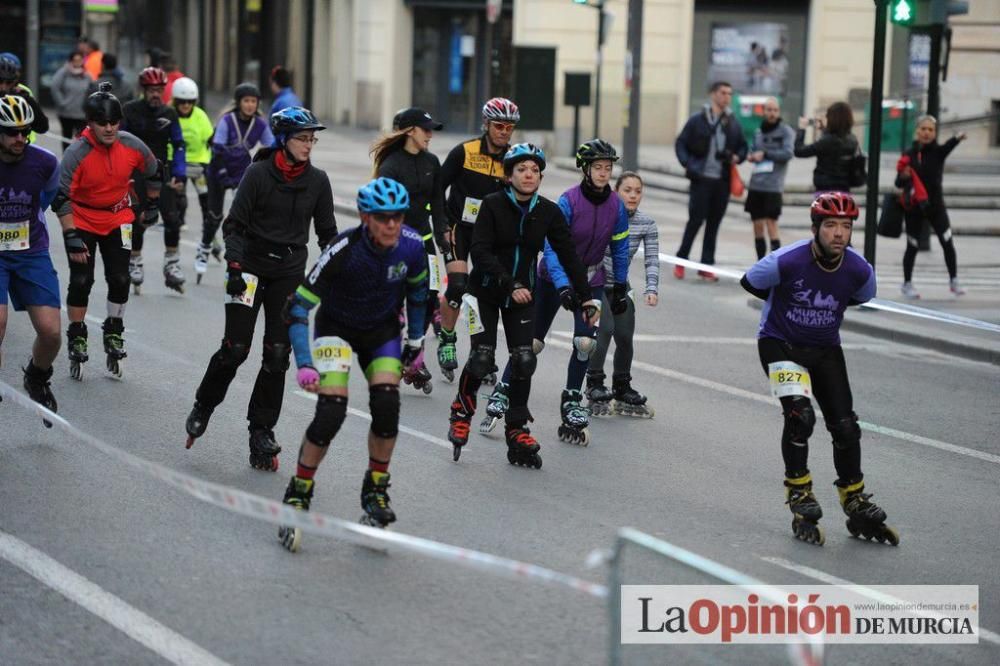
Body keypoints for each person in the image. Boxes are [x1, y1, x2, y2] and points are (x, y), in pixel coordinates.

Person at [277, 177, 429, 551]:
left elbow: (419, 294)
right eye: (383, 218)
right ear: (365, 217)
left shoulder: (411, 247)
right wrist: (305, 363)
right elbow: (297, 307)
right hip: (337, 328)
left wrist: (416, 341)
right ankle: (299, 491)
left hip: (381, 331)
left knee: (387, 405)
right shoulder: (342, 248)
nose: (392, 225)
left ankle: (375, 491)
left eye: (398, 217)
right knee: (331, 411)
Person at [740, 191, 898, 547]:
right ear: (816, 228)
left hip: (826, 348)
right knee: (801, 417)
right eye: (830, 225)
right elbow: (749, 281)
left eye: (845, 226)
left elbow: (861, 296)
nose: (839, 233)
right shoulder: (787, 261)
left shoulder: (859, 269)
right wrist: (787, 305)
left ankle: (854, 497)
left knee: (845, 426)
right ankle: (800, 492)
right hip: (780, 344)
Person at [185, 107, 337, 471]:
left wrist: (337, 271)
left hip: (288, 271)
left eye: (312, 139)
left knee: (277, 354)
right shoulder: (258, 174)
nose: (309, 145)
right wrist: (235, 266)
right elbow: (234, 225)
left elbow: (328, 235)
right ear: (284, 140)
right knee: (235, 348)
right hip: (249, 268)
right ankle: (204, 404)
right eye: (303, 138)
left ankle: (261, 431)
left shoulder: (318, 181)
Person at [446, 144, 596, 467]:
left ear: (541, 175)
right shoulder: (492, 205)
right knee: (482, 359)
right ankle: (462, 409)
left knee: (524, 359)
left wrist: (585, 298)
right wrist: (509, 283)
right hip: (483, 292)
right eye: (521, 169)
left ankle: (517, 428)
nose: (529, 175)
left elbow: (569, 255)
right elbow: (480, 252)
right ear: (508, 175)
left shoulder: (548, 211)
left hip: (523, 295)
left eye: (534, 170)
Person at [483, 139, 629, 447]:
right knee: (532, 344)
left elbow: (619, 246)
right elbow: (552, 248)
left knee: (585, 342)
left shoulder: (616, 205)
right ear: (585, 170)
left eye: (608, 168)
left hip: (591, 279)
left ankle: (572, 399)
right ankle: (504, 389)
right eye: (598, 168)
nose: (604, 174)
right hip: (552, 279)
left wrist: (620, 286)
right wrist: (563, 286)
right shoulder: (568, 201)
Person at [53, 83, 159, 380]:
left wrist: (152, 203)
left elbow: (154, 170)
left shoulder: (132, 145)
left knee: (121, 276)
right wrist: (71, 233)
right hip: (83, 220)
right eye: (103, 123)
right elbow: (60, 197)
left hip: (118, 217)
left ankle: (114, 330)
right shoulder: (77, 152)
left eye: (114, 122)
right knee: (82, 278)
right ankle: (77, 332)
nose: (110, 128)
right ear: (90, 123)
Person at [437, 97, 520, 383]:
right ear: (486, 124)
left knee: (482, 295)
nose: (504, 132)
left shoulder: (512, 160)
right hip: (459, 228)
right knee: (459, 286)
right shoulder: (464, 151)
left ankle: (479, 353)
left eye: (509, 127)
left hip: (490, 237)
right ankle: (447, 337)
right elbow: (438, 188)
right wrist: (443, 225)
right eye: (499, 125)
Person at [371, 106, 446, 390]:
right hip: (397, 242)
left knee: (429, 299)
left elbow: (438, 204)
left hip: (424, 241)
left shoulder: (432, 162)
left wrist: (444, 239)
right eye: (426, 130)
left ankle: (413, 355)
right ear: (410, 131)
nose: (430, 135)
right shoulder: (391, 165)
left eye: (431, 130)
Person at [0, 95, 61, 418]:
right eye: (11, 132)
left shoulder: (45, 162)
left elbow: (51, 197)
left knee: (51, 333)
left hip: (31, 252)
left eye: (24, 131)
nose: (20, 138)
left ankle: (37, 375)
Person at [585, 171, 658, 419]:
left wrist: (651, 288)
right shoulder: (604, 216)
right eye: (627, 190)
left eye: (638, 191)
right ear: (616, 191)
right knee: (604, 331)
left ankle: (621, 387)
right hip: (596, 283)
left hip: (620, 285)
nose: (633, 195)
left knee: (625, 336)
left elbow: (651, 259)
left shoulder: (646, 224)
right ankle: (594, 384)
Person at [121, 66, 187, 294]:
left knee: (172, 217)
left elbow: (178, 144)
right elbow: (119, 142)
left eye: (160, 90)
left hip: (162, 173)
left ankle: (172, 263)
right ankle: (135, 261)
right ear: (143, 90)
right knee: (138, 218)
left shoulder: (169, 114)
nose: (156, 94)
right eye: (151, 90)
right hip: (136, 173)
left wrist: (180, 172)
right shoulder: (130, 111)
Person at [673, 81, 748, 281]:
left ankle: (706, 265)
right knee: (695, 221)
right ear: (713, 94)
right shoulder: (697, 120)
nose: (727, 97)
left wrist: (736, 158)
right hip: (701, 179)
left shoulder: (732, 122)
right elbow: (681, 142)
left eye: (729, 93)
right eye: (723, 93)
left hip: (722, 181)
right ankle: (681, 260)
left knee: (714, 224)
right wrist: (687, 163)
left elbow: (743, 147)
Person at [199, 83, 275, 278]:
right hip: (219, 170)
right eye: (246, 101)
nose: (250, 105)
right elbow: (217, 150)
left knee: (242, 215)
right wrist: (223, 173)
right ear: (239, 102)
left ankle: (239, 255)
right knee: (215, 214)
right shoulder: (227, 119)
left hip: (241, 171)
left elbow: (271, 147)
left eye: (253, 101)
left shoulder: (260, 123)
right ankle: (204, 246)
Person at [897, 116, 967, 299]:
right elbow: (898, 182)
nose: (927, 133)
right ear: (917, 131)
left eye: (931, 130)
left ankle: (954, 280)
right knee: (912, 246)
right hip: (914, 208)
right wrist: (903, 176)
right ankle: (907, 283)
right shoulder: (909, 153)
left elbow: (950, 144)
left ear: (934, 133)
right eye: (923, 129)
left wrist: (958, 137)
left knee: (947, 243)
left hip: (936, 207)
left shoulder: (939, 151)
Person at [170, 76, 214, 284]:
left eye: (190, 102)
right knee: (178, 202)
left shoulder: (200, 116)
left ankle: (211, 236)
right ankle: (174, 244)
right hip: (177, 166)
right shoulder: (170, 115)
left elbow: (211, 139)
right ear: (175, 101)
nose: (186, 106)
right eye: (181, 102)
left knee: (207, 203)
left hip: (198, 166)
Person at [745, 96, 795, 259]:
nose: (772, 113)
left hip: (773, 186)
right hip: (756, 185)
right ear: (763, 111)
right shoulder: (758, 132)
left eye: (775, 110)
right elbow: (753, 150)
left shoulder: (785, 131)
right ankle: (760, 263)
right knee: (757, 225)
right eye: (769, 110)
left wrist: (766, 154)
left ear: (778, 112)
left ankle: (775, 263)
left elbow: (788, 153)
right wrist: (752, 156)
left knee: (771, 223)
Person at [794, 101, 859, 193]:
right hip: (845, 190)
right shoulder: (852, 139)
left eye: (828, 116)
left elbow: (799, 151)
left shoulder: (827, 141)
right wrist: (824, 130)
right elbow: (835, 140)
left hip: (826, 191)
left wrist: (802, 129)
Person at [49, 52, 91, 153]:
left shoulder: (86, 75)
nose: (77, 63)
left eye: (80, 60)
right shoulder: (63, 72)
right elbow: (55, 87)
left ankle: (80, 158)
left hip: (81, 113)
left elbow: (92, 89)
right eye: (75, 60)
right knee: (66, 137)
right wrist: (62, 103)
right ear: (71, 61)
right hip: (66, 113)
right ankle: (66, 158)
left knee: (82, 138)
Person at [0, 54, 49, 136]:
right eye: (0, 81)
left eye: (8, 82)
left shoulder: (19, 97)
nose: (3, 87)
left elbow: (42, 127)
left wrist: (27, 100)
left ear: (15, 83)